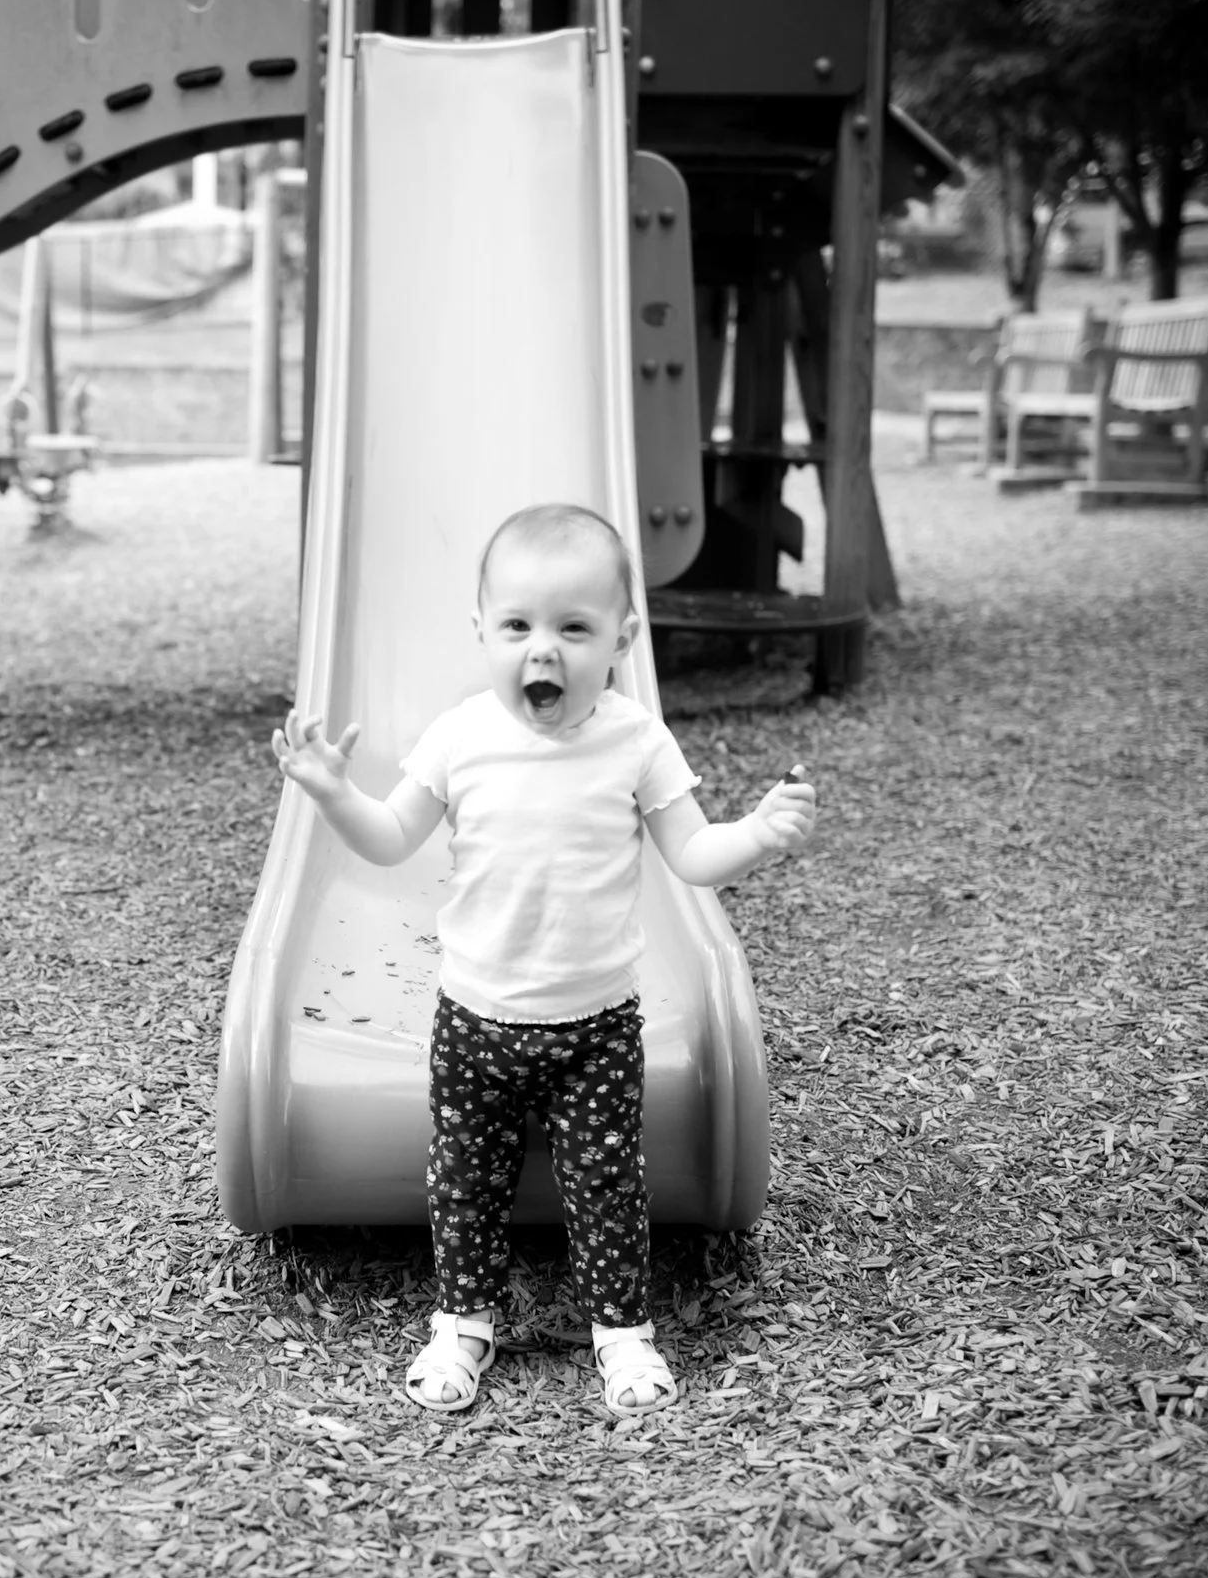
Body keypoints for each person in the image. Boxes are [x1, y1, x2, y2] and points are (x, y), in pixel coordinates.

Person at [269, 504, 817, 1414]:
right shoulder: (460, 736)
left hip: (596, 1023)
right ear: (481, 630)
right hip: (475, 1017)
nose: (544, 650)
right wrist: (333, 792)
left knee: (608, 1183)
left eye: (574, 627)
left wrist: (756, 833)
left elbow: (689, 855)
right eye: (518, 625)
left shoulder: (637, 740)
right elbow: (391, 836)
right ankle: (463, 1322)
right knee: (463, 1179)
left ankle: (622, 1334)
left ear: (621, 637)